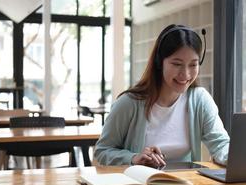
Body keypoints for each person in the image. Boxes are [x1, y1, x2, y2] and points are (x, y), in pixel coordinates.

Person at [94, 24, 229, 168]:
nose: (186, 74)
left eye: (193, 65)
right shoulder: (129, 103)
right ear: (159, 62)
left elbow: (221, 144)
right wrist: (134, 158)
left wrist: (233, 158)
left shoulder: (200, 100)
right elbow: (102, 151)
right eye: (177, 64)